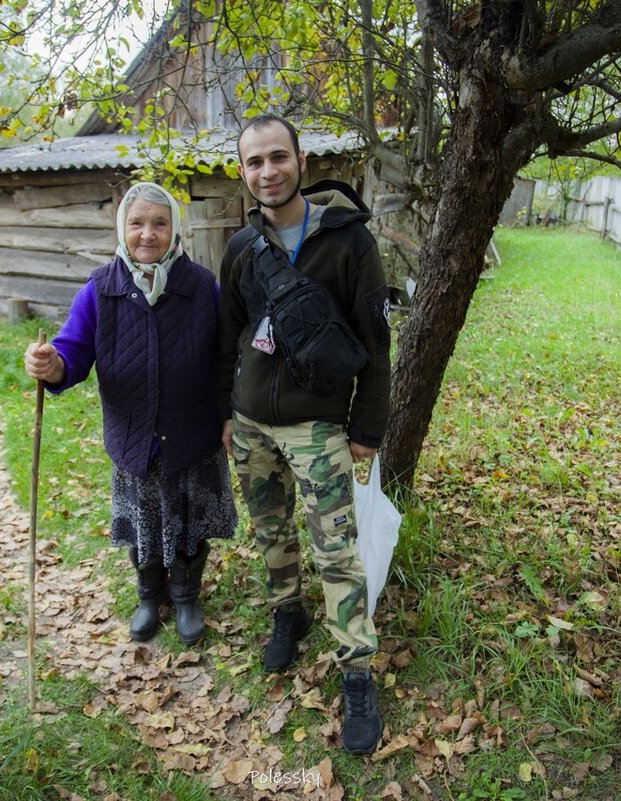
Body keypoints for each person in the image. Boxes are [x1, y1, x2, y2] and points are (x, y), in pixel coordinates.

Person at [217, 115, 392, 755]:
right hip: (252, 422)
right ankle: (286, 613)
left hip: (318, 426)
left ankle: (357, 673)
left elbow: (376, 342)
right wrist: (225, 414)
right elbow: (225, 336)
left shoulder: (348, 242)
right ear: (244, 172)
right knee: (270, 531)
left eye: (278, 158)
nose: (268, 171)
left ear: (300, 160)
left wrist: (366, 429)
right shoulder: (240, 250)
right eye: (255, 162)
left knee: (336, 551)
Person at [25, 182, 236, 646]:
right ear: (122, 227)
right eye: (137, 223)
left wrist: (228, 415)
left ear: (174, 230)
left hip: (191, 433)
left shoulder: (201, 287)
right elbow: (72, 352)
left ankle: (186, 598)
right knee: (144, 522)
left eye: (159, 223)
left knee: (188, 521)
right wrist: (51, 364)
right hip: (134, 436)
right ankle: (148, 596)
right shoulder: (101, 289)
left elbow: (226, 360)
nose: (148, 234)